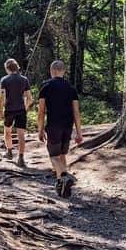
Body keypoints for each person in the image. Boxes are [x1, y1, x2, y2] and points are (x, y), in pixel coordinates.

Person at [37, 60, 83, 198]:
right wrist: (79, 133)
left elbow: (41, 111)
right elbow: (76, 112)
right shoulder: (71, 88)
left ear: (52, 71)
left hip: (53, 126)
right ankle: (61, 186)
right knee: (62, 154)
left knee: (53, 156)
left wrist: (40, 129)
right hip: (67, 126)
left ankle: (64, 175)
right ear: (63, 71)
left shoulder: (46, 86)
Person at [0, 58, 32, 167]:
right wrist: (25, 108)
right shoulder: (24, 79)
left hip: (9, 110)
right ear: (16, 67)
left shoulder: (4, 80)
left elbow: (2, 98)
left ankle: (9, 152)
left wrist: (1, 111)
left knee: (7, 131)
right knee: (21, 135)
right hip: (21, 110)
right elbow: (29, 98)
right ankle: (21, 158)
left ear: (7, 68)